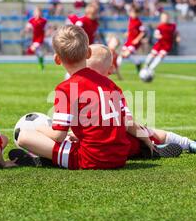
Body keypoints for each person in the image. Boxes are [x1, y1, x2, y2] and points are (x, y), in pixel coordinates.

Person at [10, 25, 140, 169]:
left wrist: (39, 127)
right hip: (120, 157)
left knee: (24, 136)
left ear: (57, 59)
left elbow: (58, 136)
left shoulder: (65, 88)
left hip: (91, 159)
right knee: (70, 138)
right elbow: (120, 122)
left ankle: (50, 158)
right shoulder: (111, 84)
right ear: (88, 53)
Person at [87, 44, 196, 155]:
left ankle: (148, 147)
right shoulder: (112, 90)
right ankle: (188, 144)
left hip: (90, 145)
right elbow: (126, 122)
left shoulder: (77, 87)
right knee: (153, 134)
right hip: (121, 145)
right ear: (111, 70)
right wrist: (144, 137)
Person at [140, 12, 179, 79]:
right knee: (152, 54)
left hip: (167, 45)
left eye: (166, 17)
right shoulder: (160, 26)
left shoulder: (172, 26)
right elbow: (156, 34)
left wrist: (178, 37)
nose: (165, 19)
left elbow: (176, 32)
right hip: (159, 44)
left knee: (161, 56)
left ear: (168, 18)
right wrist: (157, 36)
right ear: (161, 19)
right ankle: (145, 66)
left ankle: (151, 69)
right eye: (163, 18)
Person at [116, 7, 146, 72]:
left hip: (134, 42)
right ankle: (138, 63)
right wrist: (127, 33)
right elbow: (131, 29)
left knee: (125, 54)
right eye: (131, 12)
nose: (131, 14)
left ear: (137, 14)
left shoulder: (139, 22)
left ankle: (116, 68)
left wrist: (137, 39)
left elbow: (143, 32)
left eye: (133, 12)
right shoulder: (130, 20)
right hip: (129, 40)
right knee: (123, 54)